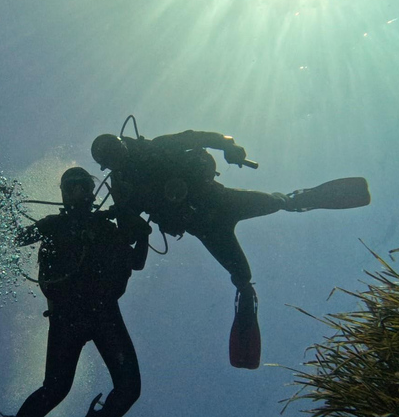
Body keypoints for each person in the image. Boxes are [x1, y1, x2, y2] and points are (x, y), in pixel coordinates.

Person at [91, 130, 370, 369]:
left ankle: (301, 199)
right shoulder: (122, 188)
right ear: (106, 166)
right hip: (206, 226)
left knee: (276, 203)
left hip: (220, 203)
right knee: (241, 275)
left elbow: (202, 137)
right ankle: (246, 298)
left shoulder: (157, 148)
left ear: (123, 144)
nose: (117, 158)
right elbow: (128, 231)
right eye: (109, 158)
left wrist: (230, 146)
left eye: (115, 150)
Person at [0, 167, 151, 417]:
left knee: (128, 388)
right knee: (57, 389)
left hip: (101, 313)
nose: (78, 191)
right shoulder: (54, 225)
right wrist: (4, 205)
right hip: (69, 315)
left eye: (83, 185)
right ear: (64, 194)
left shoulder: (105, 227)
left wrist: (142, 233)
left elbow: (136, 262)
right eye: (71, 186)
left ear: (92, 191)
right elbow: (17, 238)